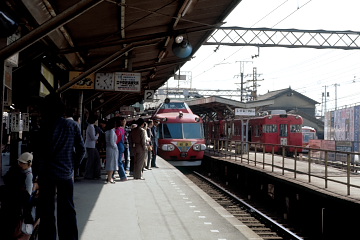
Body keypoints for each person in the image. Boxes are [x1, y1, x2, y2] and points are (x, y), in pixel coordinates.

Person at [33, 93, 86, 240]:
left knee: (46, 209)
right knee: (67, 209)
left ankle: (48, 237)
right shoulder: (72, 125)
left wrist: (35, 174)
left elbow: (38, 153)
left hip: (46, 174)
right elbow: (81, 150)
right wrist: (73, 166)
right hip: (65, 174)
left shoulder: (43, 127)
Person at [0, 152, 34, 239]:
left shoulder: (28, 175)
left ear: (29, 164)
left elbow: (28, 192)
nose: (21, 164)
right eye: (20, 162)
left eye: (23, 163)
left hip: (17, 201)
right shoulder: (16, 169)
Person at [84, 114, 101, 180]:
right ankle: (89, 174)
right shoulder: (91, 127)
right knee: (92, 160)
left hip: (91, 145)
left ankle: (92, 174)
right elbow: (93, 137)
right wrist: (97, 136)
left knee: (92, 160)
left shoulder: (90, 126)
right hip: (91, 146)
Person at [104, 118, 118, 184]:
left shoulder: (107, 131)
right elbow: (112, 142)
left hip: (108, 148)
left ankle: (109, 177)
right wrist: (115, 147)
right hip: (112, 149)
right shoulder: (112, 131)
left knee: (109, 163)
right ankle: (110, 178)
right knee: (112, 164)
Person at [115, 117, 128, 181]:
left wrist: (114, 143)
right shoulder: (123, 129)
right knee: (120, 160)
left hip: (118, 145)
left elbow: (117, 139)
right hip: (122, 145)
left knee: (118, 161)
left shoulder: (117, 130)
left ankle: (123, 176)